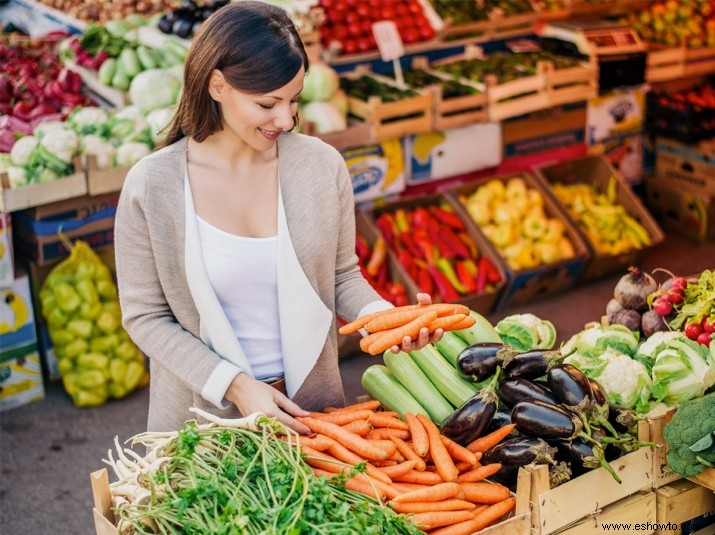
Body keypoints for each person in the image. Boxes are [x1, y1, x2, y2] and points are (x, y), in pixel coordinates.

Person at [114, 1, 443, 434]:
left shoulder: (321, 167)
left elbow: (341, 277)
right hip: (203, 420)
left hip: (312, 414)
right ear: (216, 85)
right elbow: (145, 317)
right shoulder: (152, 186)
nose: (285, 119)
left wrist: (388, 321)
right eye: (268, 103)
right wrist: (235, 385)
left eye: (293, 101)